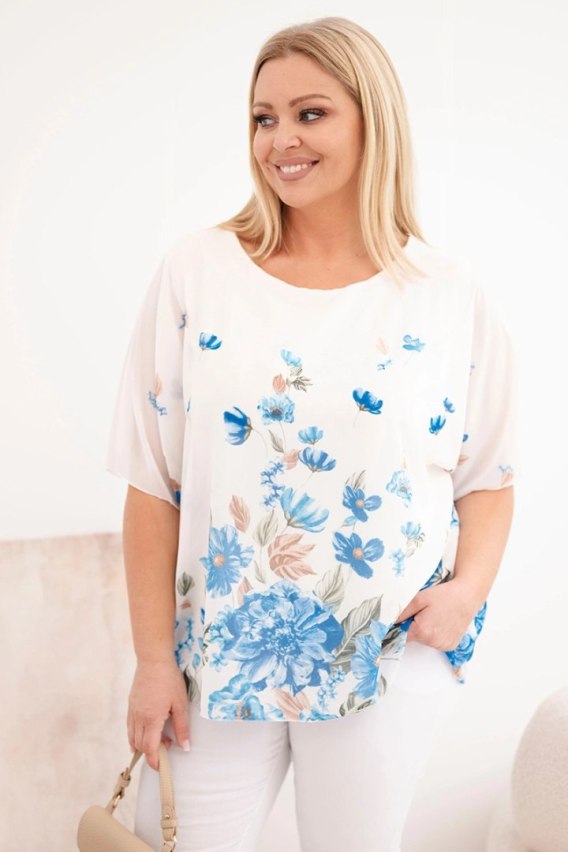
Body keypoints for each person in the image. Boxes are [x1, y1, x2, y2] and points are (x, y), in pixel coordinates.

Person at [105, 15, 516, 852]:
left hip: (385, 656)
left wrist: (466, 594)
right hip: (214, 657)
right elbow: (153, 484)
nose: (280, 139)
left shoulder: (447, 292)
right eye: (264, 118)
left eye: (311, 113)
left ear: (373, 119)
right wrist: (152, 662)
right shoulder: (197, 272)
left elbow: (488, 477)